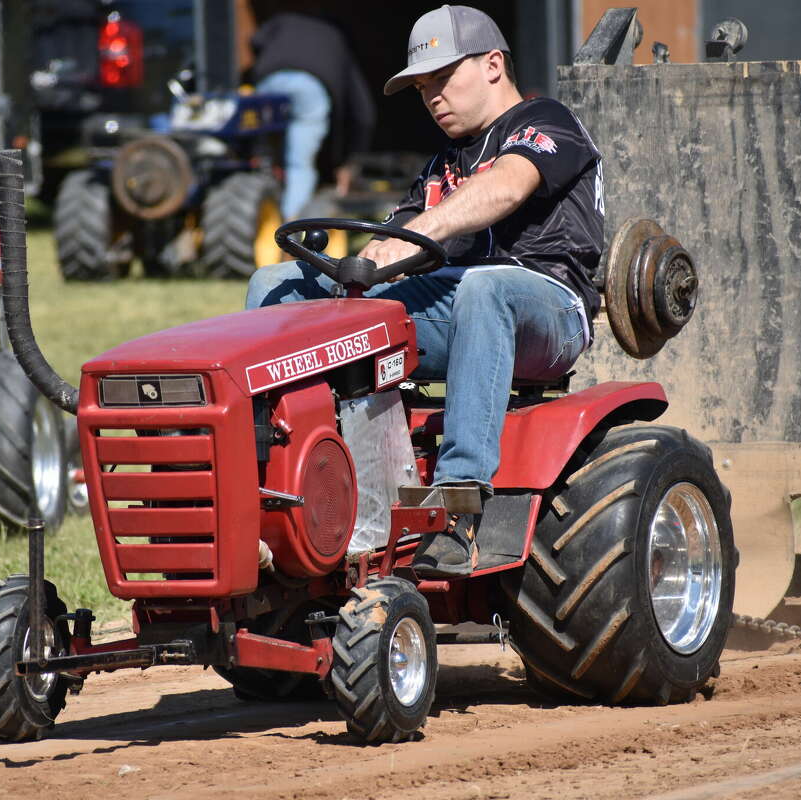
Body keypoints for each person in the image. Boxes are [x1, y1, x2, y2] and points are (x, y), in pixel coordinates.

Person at [246, 5, 605, 578]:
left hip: (547, 309)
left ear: (493, 65)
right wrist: (358, 269)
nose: (432, 97)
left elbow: (507, 186)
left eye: (442, 78)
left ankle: (459, 502)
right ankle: (276, 487)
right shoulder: (442, 165)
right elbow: (390, 243)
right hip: (454, 306)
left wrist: (415, 234)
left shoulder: (544, 121)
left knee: (484, 289)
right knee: (279, 286)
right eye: (421, 87)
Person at [249, 12, 376, 219]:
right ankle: (289, 230)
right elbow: (363, 114)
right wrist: (350, 162)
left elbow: (255, 40)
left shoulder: (283, 21)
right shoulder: (337, 37)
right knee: (299, 165)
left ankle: (259, 216)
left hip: (269, 81)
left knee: (262, 158)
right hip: (310, 87)